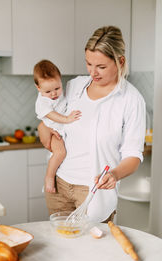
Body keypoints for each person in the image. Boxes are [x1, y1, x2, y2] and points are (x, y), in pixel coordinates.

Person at [38, 26, 146, 223]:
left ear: (120, 61)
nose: (93, 72)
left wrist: (115, 174)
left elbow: (133, 155)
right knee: (61, 247)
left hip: (93, 191)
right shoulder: (74, 86)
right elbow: (49, 118)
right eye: (88, 63)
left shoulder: (131, 100)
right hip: (59, 185)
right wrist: (43, 128)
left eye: (101, 67)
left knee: (93, 250)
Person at [34, 60, 81, 193]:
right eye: (48, 91)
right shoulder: (42, 102)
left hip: (61, 129)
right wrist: (67, 119)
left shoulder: (58, 93)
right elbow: (53, 115)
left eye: (57, 88)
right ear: (38, 88)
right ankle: (49, 177)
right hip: (55, 131)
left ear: (61, 81)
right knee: (60, 152)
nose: (54, 94)